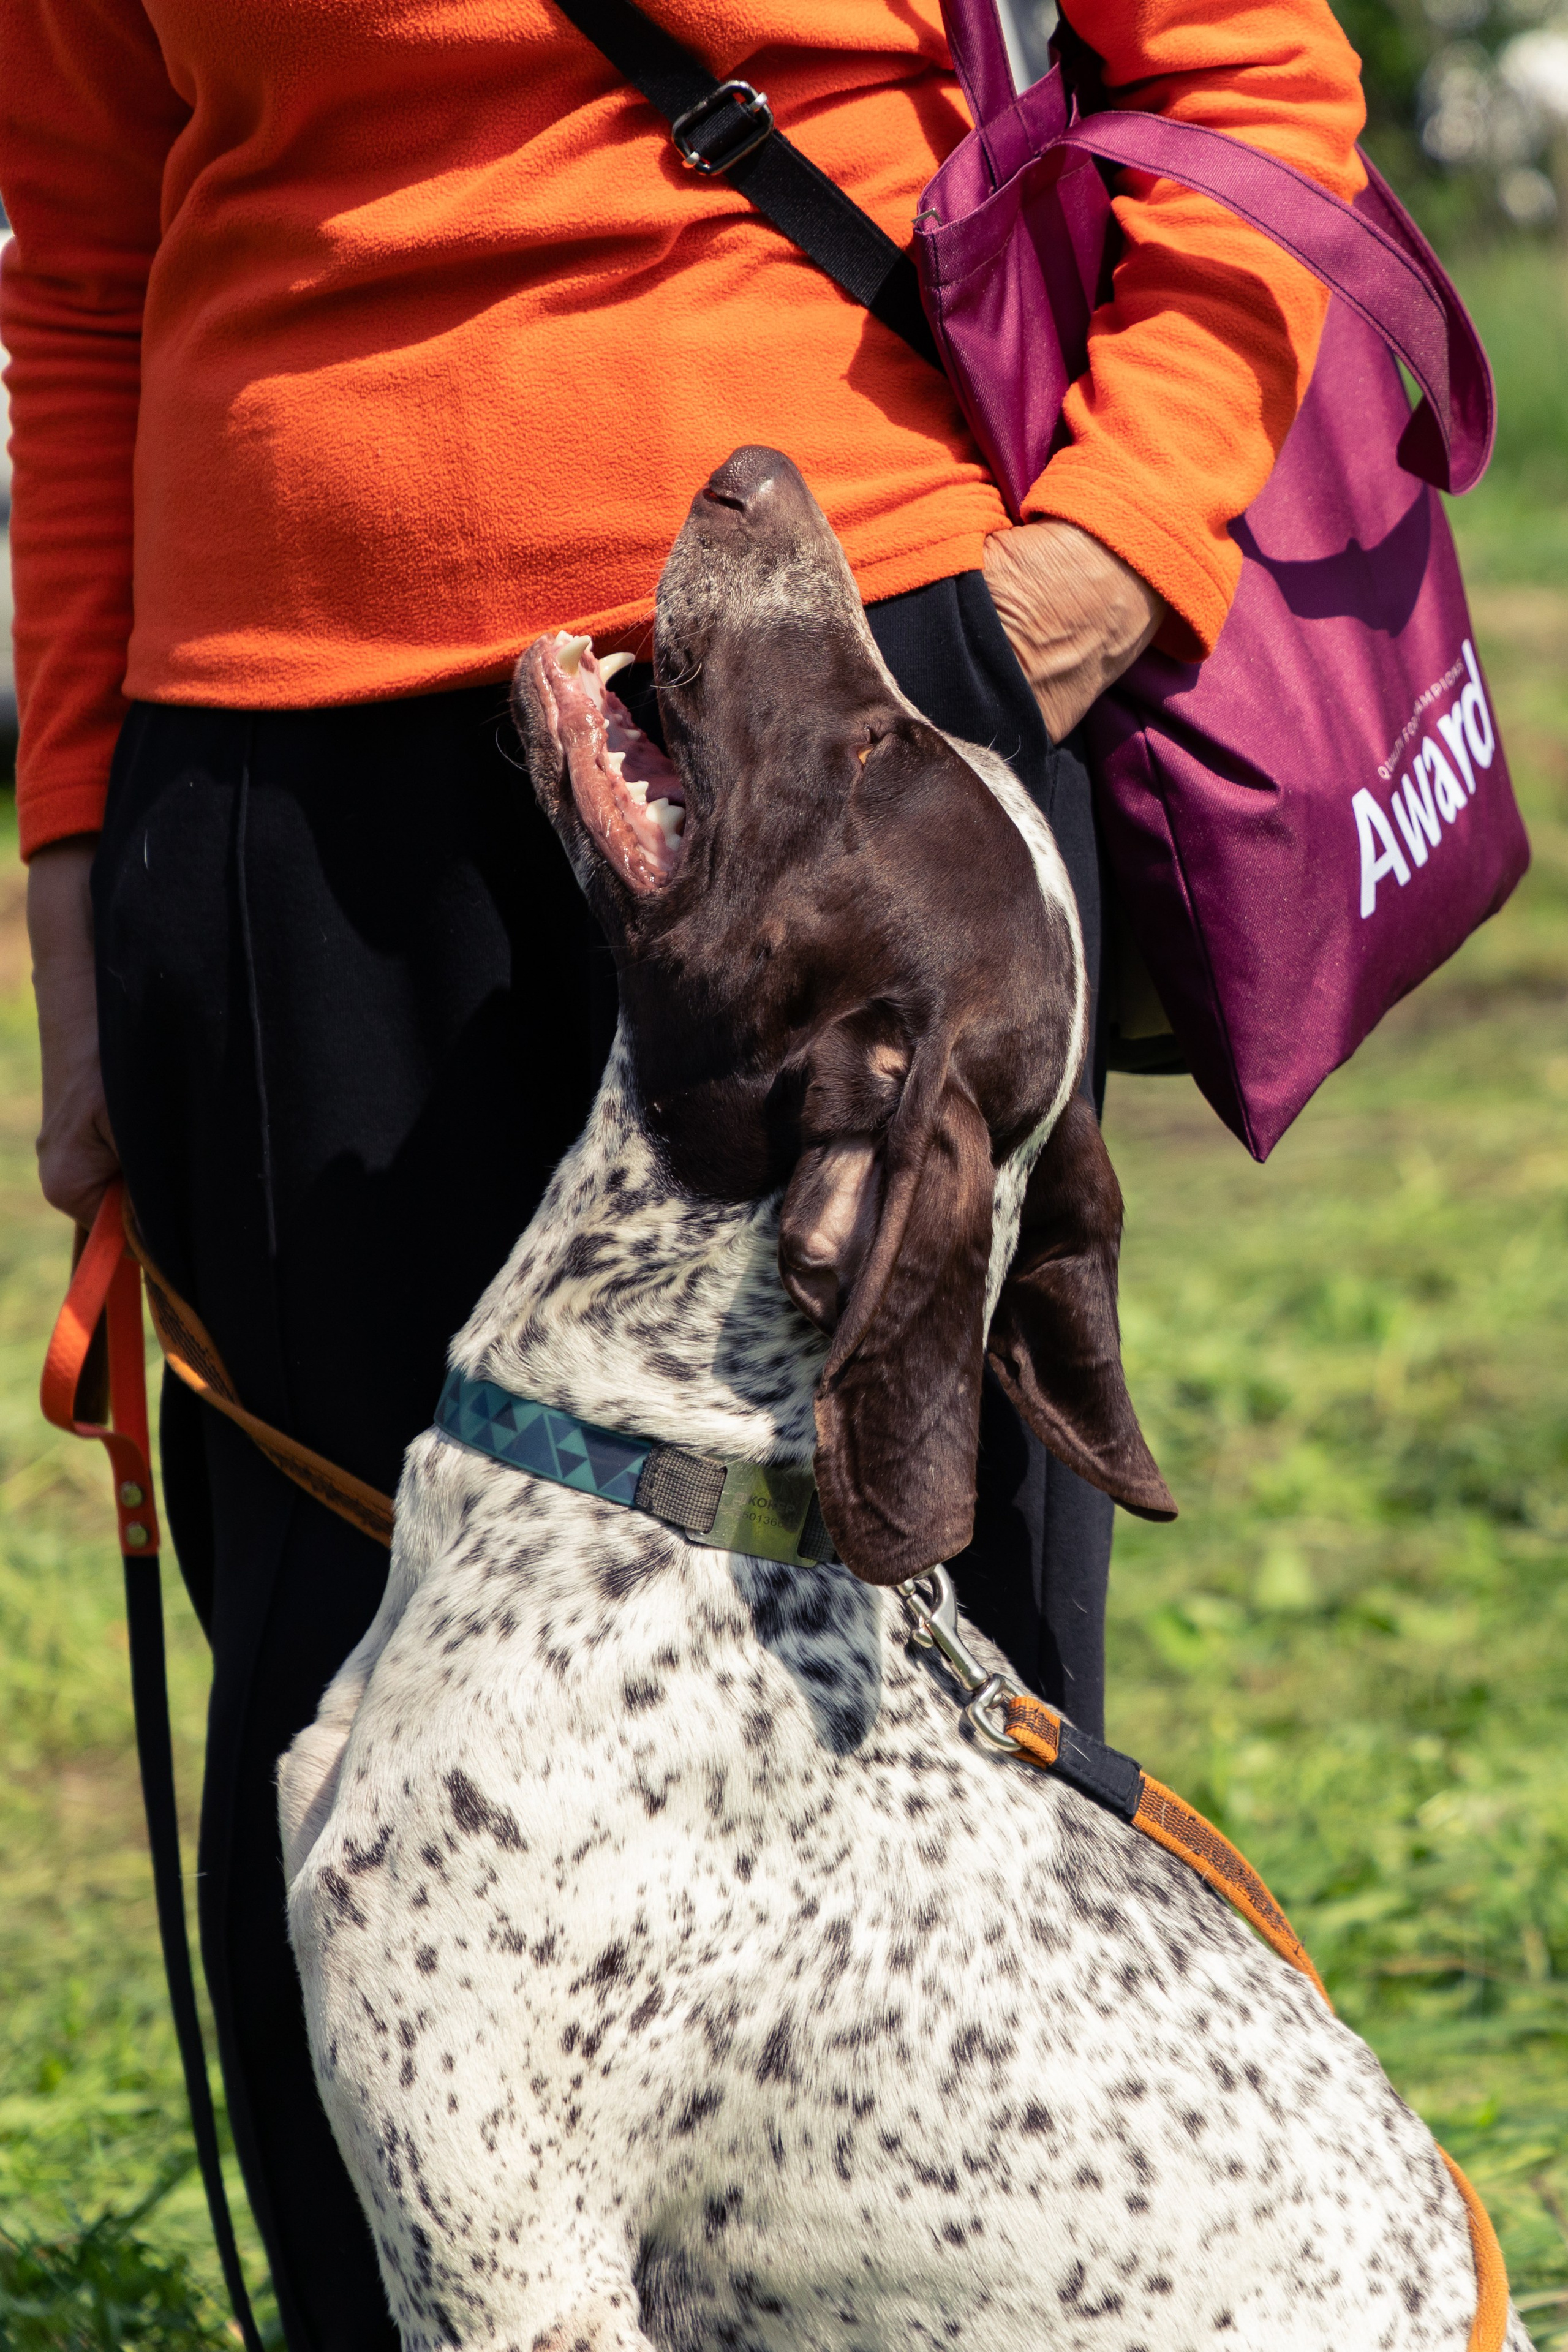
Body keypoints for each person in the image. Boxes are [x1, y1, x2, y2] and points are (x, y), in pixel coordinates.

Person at [2, 1, 1364, 2343]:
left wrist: (1100, 567)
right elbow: (83, 241)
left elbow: (1256, 78)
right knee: (371, 1767)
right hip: (283, 803)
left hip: (857, 709)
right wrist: (73, 852)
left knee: (919, 1730)